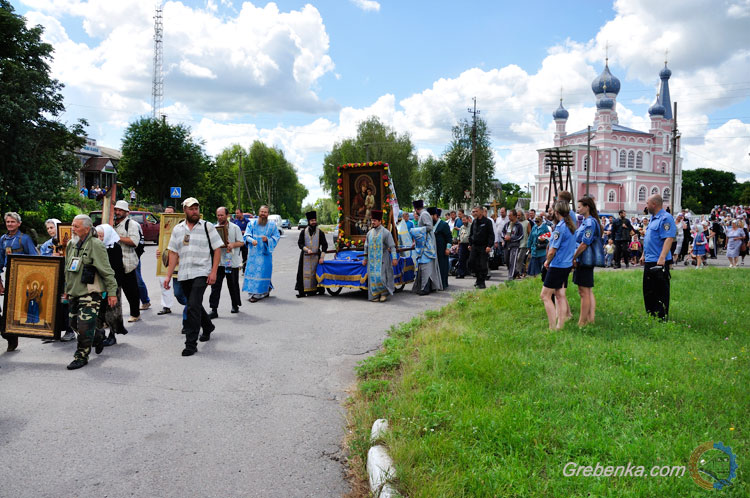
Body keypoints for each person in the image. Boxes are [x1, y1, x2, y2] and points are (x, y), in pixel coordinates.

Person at [164, 197, 224, 356]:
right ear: (185, 210)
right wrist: (168, 276)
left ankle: (190, 344)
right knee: (194, 304)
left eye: (196, 208)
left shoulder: (207, 227)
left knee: (191, 307)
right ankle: (208, 326)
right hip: (184, 273)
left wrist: (213, 271)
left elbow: (217, 249)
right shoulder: (178, 229)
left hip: (202, 271)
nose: (194, 211)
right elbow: (173, 253)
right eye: (191, 208)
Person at [62, 215, 118, 369]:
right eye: (72, 225)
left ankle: (81, 356)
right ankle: (98, 334)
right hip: (74, 291)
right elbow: (68, 270)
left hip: (90, 292)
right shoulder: (71, 244)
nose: (73, 229)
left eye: (76, 226)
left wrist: (112, 293)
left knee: (84, 326)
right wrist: (66, 290)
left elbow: (107, 271)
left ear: (87, 229)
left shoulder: (96, 245)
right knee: (74, 323)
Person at [1, 212, 39, 352]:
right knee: (6, 306)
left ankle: (15, 331)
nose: (10, 224)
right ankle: (9, 335)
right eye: (8, 222)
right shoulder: (3, 239)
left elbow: (35, 258)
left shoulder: (25, 239)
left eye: (12, 222)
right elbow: (0, 259)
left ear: (18, 223)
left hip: (22, 277)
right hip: (7, 274)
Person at [540, 201, 576, 330]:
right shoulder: (571, 226)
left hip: (558, 265)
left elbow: (552, 250)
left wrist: (547, 262)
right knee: (560, 295)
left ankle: (552, 327)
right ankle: (560, 325)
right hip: (567, 264)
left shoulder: (560, 228)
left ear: (556, 212)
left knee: (545, 295)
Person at [640, 194, 676, 320]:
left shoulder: (665, 218)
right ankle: (651, 315)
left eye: (647, 203)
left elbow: (669, 238)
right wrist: (643, 254)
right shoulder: (652, 218)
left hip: (659, 261)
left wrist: (662, 258)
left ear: (654, 204)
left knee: (660, 290)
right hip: (649, 259)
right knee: (648, 290)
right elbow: (649, 238)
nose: (646, 205)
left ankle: (661, 316)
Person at [94, 224, 128, 346]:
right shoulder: (95, 247)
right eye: (97, 236)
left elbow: (116, 269)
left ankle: (112, 335)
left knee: (112, 311)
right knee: (98, 310)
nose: (99, 238)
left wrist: (113, 288)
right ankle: (99, 334)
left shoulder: (115, 248)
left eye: (101, 236)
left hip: (112, 284)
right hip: (97, 284)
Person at [572, 196, 602, 327]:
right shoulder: (586, 221)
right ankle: (590, 319)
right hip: (584, 259)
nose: (578, 209)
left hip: (585, 260)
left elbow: (585, 243)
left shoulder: (589, 223)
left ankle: (582, 321)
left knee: (583, 292)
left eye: (579, 207)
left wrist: (573, 256)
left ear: (587, 207)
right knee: (587, 291)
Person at [209, 207, 244, 316]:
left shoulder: (235, 228)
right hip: (218, 262)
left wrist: (232, 245)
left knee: (232, 284)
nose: (220, 217)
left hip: (231, 261)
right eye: (218, 215)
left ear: (227, 215)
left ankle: (235, 304)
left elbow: (241, 242)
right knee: (215, 286)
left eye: (222, 215)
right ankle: (214, 309)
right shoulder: (214, 228)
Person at [112, 200, 142, 323]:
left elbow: (134, 242)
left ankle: (135, 313)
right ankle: (111, 317)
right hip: (113, 262)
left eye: (120, 210)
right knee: (112, 290)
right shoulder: (111, 223)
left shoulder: (131, 224)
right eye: (116, 210)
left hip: (127, 262)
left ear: (127, 212)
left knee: (131, 290)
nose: (117, 212)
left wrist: (117, 237)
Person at [242, 205, 280, 302]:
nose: (263, 214)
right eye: (262, 212)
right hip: (253, 255)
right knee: (252, 274)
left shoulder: (272, 225)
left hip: (264, 255)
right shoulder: (252, 224)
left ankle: (258, 295)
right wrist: (251, 240)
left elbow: (276, 237)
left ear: (268, 214)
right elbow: (246, 235)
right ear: (259, 212)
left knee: (263, 273)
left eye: (265, 212)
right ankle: (262, 290)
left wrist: (268, 240)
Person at [362, 210, 399, 302]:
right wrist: (365, 259)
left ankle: (383, 294)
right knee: (373, 277)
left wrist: (394, 258)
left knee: (381, 277)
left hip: (383, 259)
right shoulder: (369, 233)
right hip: (372, 261)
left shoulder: (386, 233)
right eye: (372, 220)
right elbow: (366, 246)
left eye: (374, 220)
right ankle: (375, 295)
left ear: (380, 221)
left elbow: (392, 246)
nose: (372, 222)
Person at [410, 200, 442, 295]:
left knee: (425, 265)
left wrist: (415, 231)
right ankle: (427, 287)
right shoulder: (425, 214)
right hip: (425, 242)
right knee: (424, 265)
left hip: (427, 244)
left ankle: (425, 288)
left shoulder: (424, 214)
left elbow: (429, 227)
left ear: (416, 209)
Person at [295, 210, 328, 298]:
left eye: (314, 220)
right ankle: (303, 291)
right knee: (302, 274)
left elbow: (325, 245)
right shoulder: (303, 232)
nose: (314, 222)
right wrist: (306, 250)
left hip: (316, 257)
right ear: (309, 222)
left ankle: (316, 290)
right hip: (305, 256)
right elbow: (300, 244)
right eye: (312, 221)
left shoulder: (320, 232)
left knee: (315, 273)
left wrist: (322, 257)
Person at [468, 205, 494, 289]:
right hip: (474, 246)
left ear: (481, 212)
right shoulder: (474, 222)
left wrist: (489, 246)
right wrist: (470, 244)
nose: (474, 213)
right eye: (474, 211)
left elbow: (491, 235)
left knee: (482, 265)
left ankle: (482, 282)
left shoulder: (487, 222)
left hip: (483, 246)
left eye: (476, 211)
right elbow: (471, 234)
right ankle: (478, 279)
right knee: (472, 262)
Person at [431, 207, 452, 289]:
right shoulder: (431, 224)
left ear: (435, 216)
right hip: (433, 250)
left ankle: (443, 284)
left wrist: (448, 248)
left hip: (442, 250)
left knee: (442, 267)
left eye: (431, 216)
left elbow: (449, 238)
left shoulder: (443, 224)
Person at [502, 209, 524, 281]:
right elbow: (503, 232)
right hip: (506, 245)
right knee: (507, 260)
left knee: (513, 261)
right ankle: (515, 272)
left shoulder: (519, 225)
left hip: (514, 245)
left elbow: (521, 236)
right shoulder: (507, 224)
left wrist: (511, 238)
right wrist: (504, 237)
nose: (509, 217)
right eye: (508, 216)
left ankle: (510, 277)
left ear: (515, 216)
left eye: (510, 216)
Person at [456, 214, 471, 279]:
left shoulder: (471, 226)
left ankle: (472, 271)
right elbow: (459, 237)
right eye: (463, 220)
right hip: (462, 244)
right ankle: (461, 273)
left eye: (465, 220)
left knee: (471, 259)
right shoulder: (462, 227)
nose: (464, 221)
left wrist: (471, 245)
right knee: (461, 259)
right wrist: (458, 246)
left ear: (467, 220)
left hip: (469, 244)